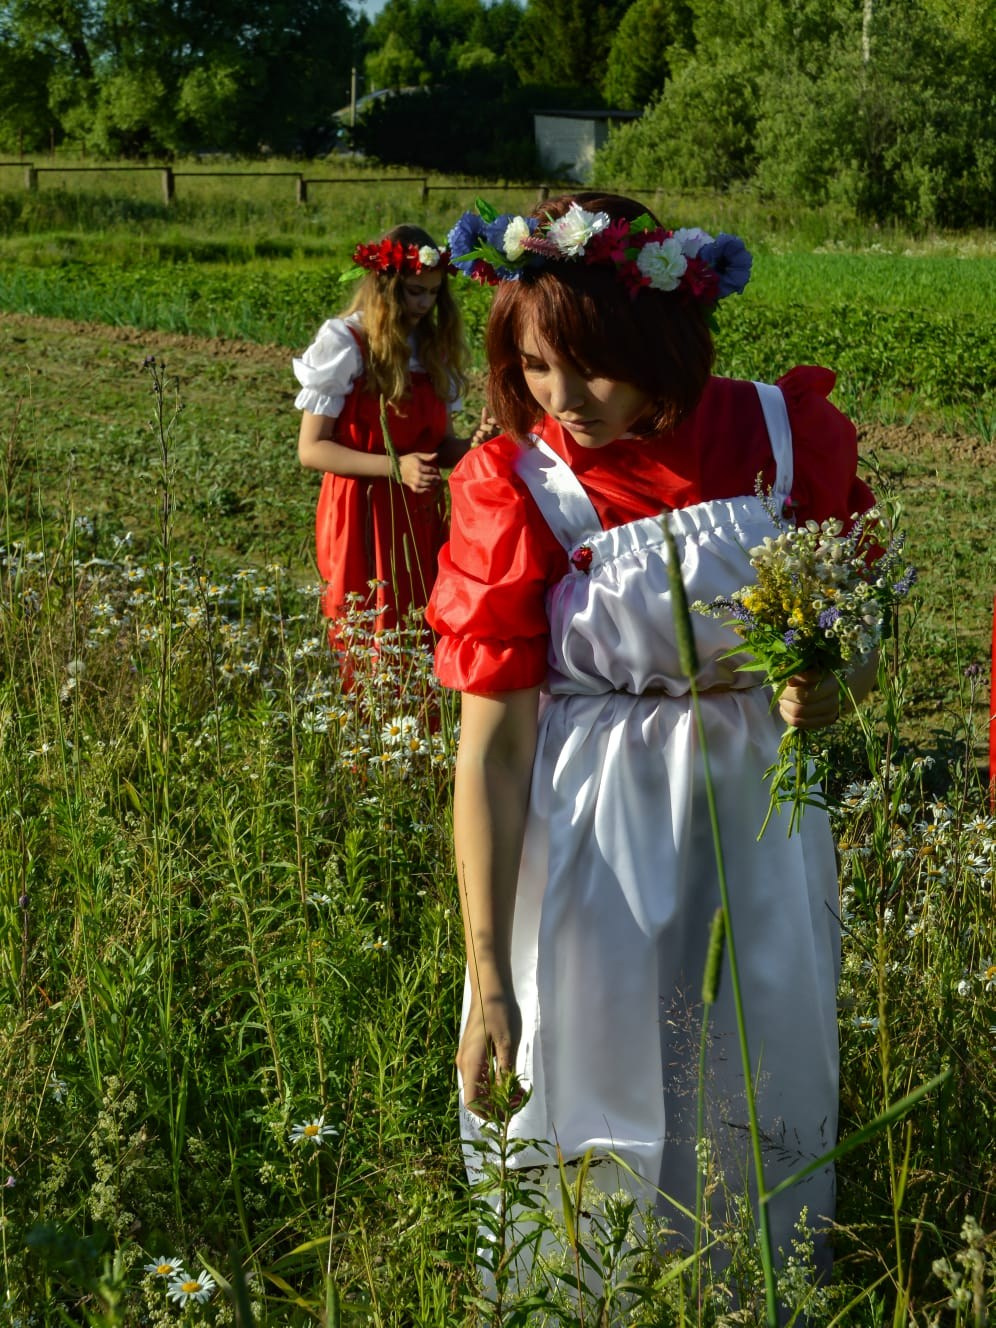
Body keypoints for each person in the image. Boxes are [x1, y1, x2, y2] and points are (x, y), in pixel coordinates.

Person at [426, 193, 879, 1286]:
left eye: (591, 366)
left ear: (662, 339)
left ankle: (744, 1293)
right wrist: (490, 972)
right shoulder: (515, 483)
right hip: (591, 842)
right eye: (535, 366)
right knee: (589, 1079)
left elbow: (855, 637)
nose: (562, 398)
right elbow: (490, 748)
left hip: (757, 835)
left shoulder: (783, 434)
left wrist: (832, 685)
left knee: (752, 1073)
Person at [294, 224, 491, 671]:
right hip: (361, 511)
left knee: (422, 626)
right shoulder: (347, 342)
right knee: (369, 635)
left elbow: (435, 448)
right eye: (414, 292)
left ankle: (419, 732)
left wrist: (471, 445)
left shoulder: (432, 347)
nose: (424, 304)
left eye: (434, 293)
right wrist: (394, 467)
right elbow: (312, 450)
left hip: (419, 513)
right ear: (385, 286)